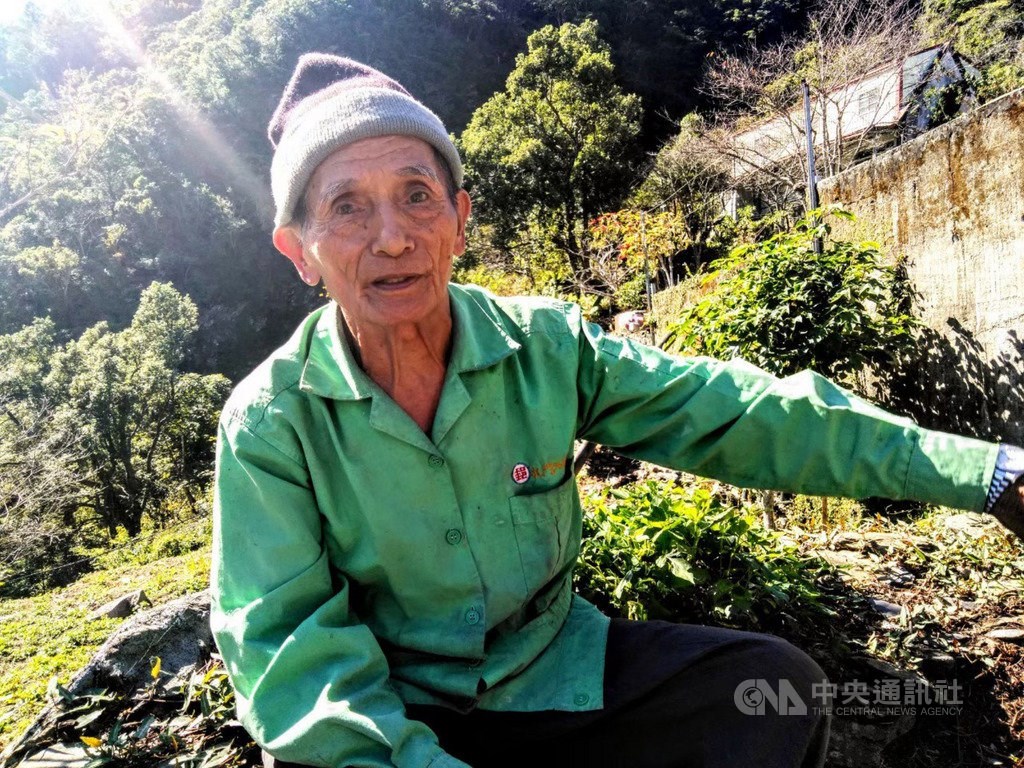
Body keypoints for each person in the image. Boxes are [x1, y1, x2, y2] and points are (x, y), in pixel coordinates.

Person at [210, 53, 1024, 768]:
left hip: (553, 681)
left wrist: (985, 473)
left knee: (772, 690)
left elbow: (733, 413)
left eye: (416, 195)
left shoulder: (546, 348)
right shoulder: (272, 425)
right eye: (347, 207)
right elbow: (294, 661)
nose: (391, 237)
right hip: (393, 714)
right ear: (301, 251)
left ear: (459, 218)